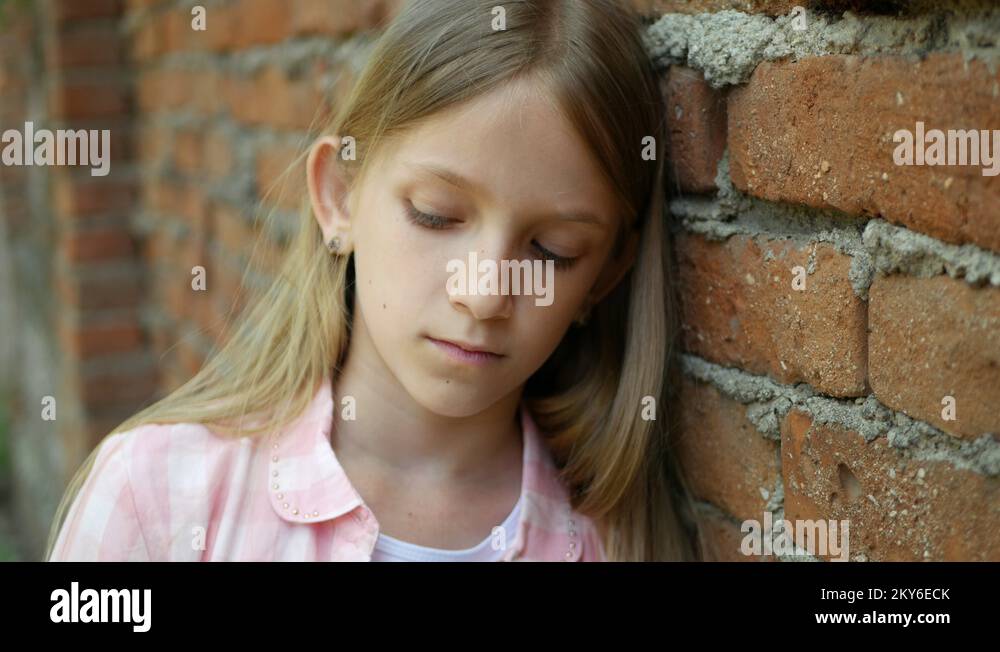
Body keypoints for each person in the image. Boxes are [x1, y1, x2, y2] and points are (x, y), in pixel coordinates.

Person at [45, 0, 696, 562]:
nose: (485, 292)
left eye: (553, 252)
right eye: (435, 216)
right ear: (339, 197)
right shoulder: (155, 496)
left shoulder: (616, 541)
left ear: (608, 271)